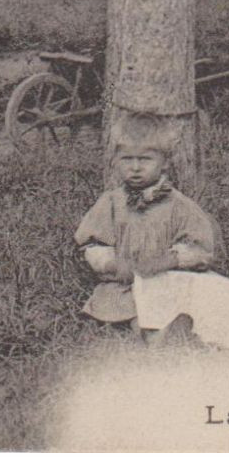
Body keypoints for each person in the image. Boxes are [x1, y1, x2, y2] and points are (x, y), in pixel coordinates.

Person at [74, 132, 218, 333]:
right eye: (127, 159)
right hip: (123, 284)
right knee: (128, 311)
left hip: (167, 281)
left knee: (181, 305)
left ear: (164, 163)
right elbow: (93, 243)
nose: (135, 168)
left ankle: (169, 331)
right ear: (116, 161)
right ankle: (144, 333)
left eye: (145, 160)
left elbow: (199, 247)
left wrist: (170, 260)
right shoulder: (111, 202)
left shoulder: (180, 205)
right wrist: (112, 263)